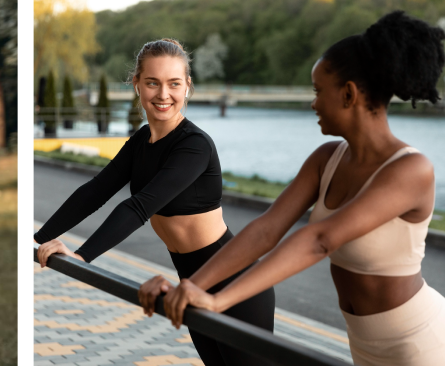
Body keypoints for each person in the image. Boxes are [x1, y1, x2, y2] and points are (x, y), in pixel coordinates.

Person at [160, 11, 445, 366]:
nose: (313, 103)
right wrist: (194, 287)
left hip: (420, 344)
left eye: (319, 91)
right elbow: (266, 229)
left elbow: (320, 240)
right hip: (364, 344)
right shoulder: (327, 159)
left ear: (349, 94)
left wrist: (219, 300)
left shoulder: (411, 169)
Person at [34, 38, 276, 366]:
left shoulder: (195, 146)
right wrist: (36, 240)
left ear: (187, 86)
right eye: (152, 83)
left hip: (235, 282)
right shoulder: (140, 141)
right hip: (191, 284)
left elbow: (138, 207)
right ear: (136, 84)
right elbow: (95, 191)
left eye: (174, 84)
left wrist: (80, 255)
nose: (163, 95)